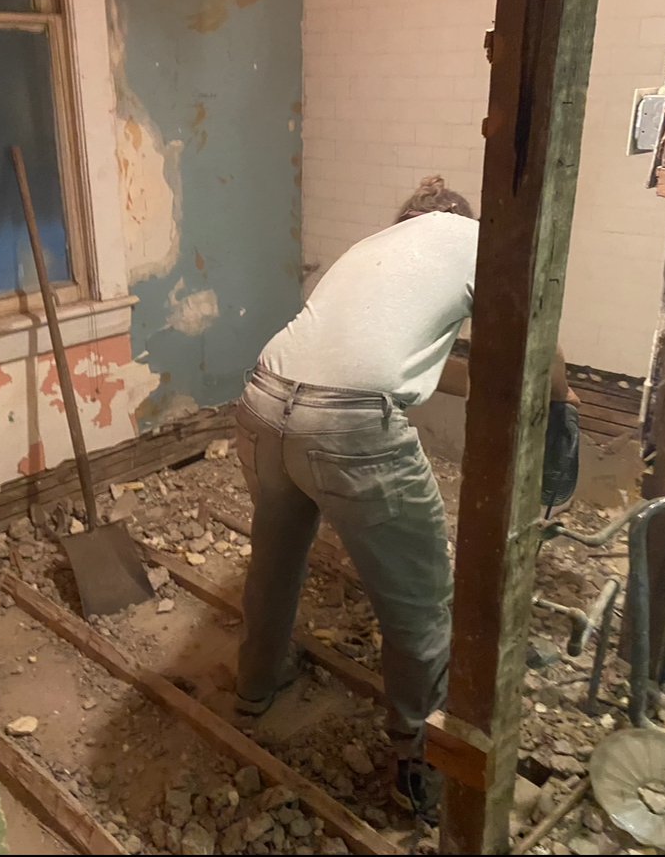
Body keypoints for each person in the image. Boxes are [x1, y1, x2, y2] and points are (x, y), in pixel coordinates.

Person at [231, 175, 579, 823]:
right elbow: (541, 345)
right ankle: (417, 770)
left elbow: (394, 356)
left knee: (276, 559)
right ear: (465, 218)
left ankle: (254, 687)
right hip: (348, 426)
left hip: (262, 400)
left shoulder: (374, 246)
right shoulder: (482, 240)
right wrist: (563, 400)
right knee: (420, 606)